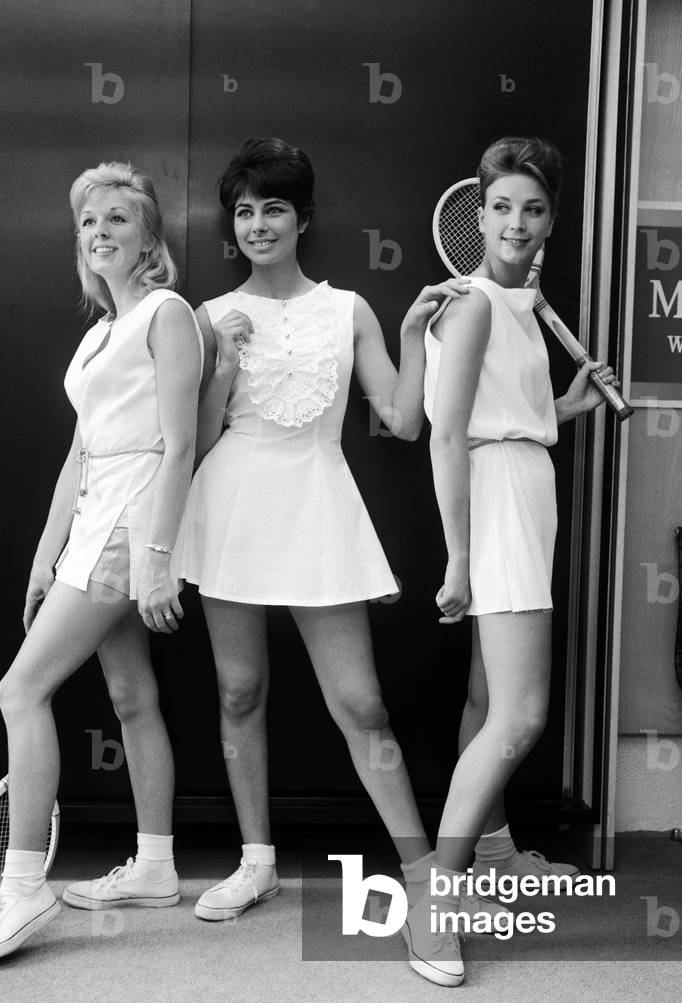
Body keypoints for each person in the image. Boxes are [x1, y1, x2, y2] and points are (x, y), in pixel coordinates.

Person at [174, 137, 469, 923]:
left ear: (303, 218)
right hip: (231, 503)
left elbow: (404, 422)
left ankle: (423, 869)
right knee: (239, 690)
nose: (258, 224)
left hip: (318, 503)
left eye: (273, 208)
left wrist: (410, 333)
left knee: (362, 703)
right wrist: (226, 365)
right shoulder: (207, 316)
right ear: (230, 226)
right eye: (244, 211)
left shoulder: (348, 309)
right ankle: (256, 862)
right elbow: (195, 445)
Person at [0, 162, 204, 971]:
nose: (99, 231)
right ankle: (158, 864)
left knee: (19, 690)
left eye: (118, 219)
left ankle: (23, 885)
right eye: (88, 222)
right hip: (93, 527)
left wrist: (158, 557)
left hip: (131, 528)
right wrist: (42, 557)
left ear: (149, 236)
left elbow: (179, 445)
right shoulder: (98, 334)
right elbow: (76, 456)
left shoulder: (167, 315)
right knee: (131, 696)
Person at [406, 136, 619, 987]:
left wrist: (563, 404)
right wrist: (459, 556)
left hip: (523, 486)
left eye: (533, 208)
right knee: (522, 715)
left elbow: (511, 419)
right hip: (492, 502)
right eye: (501, 206)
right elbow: (449, 433)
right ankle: (436, 904)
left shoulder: (519, 304)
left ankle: (492, 855)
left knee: (488, 696)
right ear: (478, 213)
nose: (516, 222)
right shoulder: (476, 306)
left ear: (552, 219)